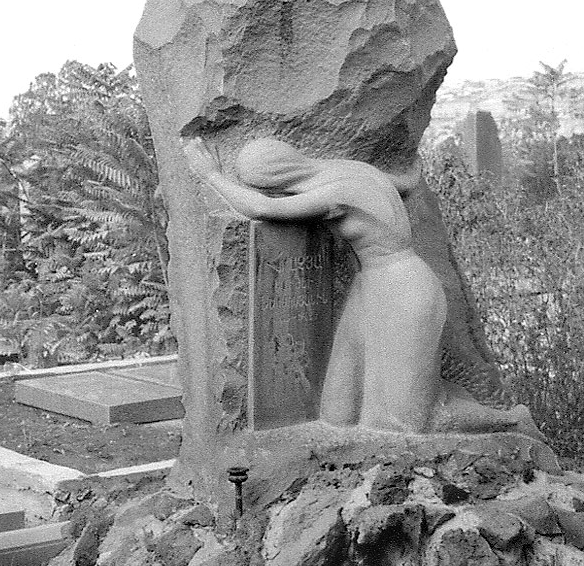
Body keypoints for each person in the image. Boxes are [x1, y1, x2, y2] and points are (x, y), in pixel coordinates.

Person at [183, 134, 445, 433]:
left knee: (399, 420)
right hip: (371, 286)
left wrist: (211, 175)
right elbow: (407, 183)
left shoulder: (335, 194)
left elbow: (263, 210)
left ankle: (505, 419)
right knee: (338, 412)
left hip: (403, 288)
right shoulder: (354, 169)